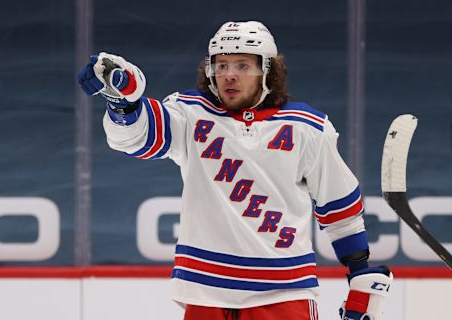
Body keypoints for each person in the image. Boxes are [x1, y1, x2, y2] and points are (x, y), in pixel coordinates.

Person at [77, 21, 393, 320]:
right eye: (222, 65)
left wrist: (359, 272)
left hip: (283, 294)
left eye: (243, 65)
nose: (229, 75)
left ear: (267, 71)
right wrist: (123, 103)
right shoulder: (191, 113)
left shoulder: (307, 127)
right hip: (205, 291)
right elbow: (138, 137)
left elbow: (338, 205)